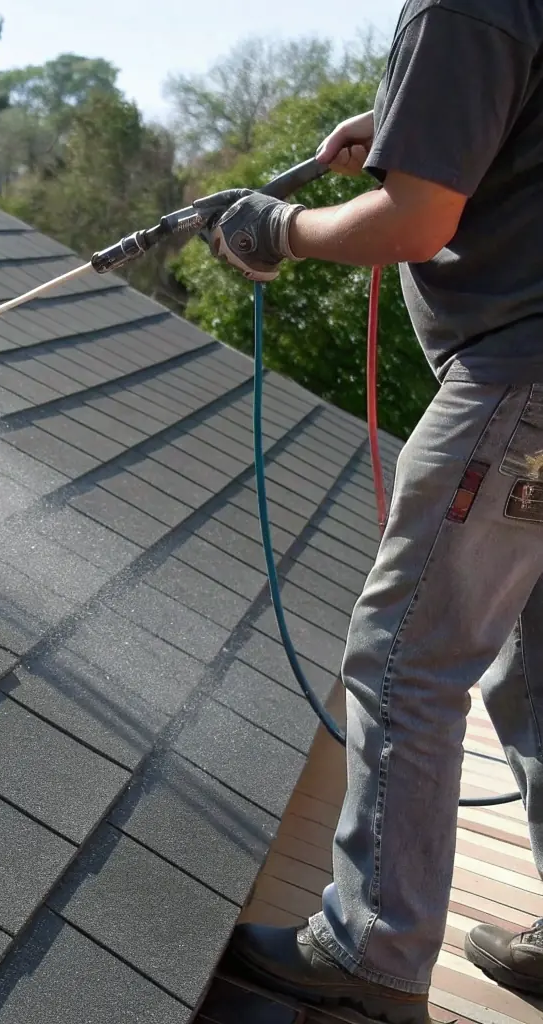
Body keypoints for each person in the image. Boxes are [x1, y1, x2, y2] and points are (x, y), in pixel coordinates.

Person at [201, 3, 543, 1023]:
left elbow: (417, 223)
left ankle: (371, 949)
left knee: (404, 652)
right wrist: (411, 123)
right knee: (537, 672)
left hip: (521, 381)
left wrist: (278, 229)